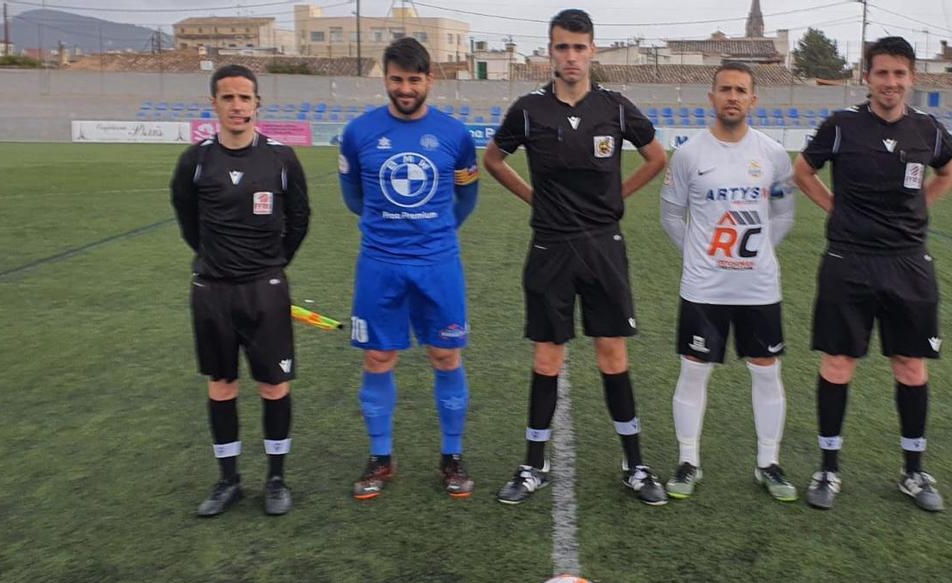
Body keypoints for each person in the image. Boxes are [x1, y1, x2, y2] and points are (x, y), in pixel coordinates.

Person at [483, 9, 669, 506]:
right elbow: (493, 160)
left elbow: (657, 157)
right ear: (550, 51)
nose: (570, 56)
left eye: (579, 47)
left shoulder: (615, 107)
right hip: (550, 246)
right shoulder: (528, 109)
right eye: (562, 47)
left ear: (592, 51)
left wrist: (618, 200)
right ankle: (532, 465)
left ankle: (635, 464)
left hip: (603, 245)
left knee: (612, 354)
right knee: (547, 357)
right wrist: (533, 199)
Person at [794, 36, 952, 512]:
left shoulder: (928, 130)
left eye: (899, 74)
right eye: (882, 73)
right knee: (838, 363)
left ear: (912, 79)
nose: (891, 82)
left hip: (908, 262)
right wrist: (835, 208)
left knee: (910, 365)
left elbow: (949, 172)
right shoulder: (841, 126)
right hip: (849, 261)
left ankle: (913, 472)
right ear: (866, 77)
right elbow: (803, 172)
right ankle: (828, 468)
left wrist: (918, 208)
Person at [338, 38, 480, 500]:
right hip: (380, 264)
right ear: (385, 79)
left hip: (438, 264)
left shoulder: (455, 136)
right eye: (396, 79)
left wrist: (435, 232)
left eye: (413, 80)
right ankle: (381, 458)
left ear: (429, 81)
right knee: (379, 357)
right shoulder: (359, 134)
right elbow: (353, 197)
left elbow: (468, 197)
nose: (405, 88)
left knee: (446, 356)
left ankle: (451, 457)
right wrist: (391, 231)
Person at [170, 64, 310, 517]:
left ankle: (275, 478)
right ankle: (228, 480)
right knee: (222, 385)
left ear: (257, 105)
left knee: (273, 385)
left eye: (244, 98)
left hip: (264, 289)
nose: (236, 106)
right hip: (212, 291)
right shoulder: (195, 161)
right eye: (227, 98)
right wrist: (215, 259)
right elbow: (188, 221)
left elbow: (300, 220)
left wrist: (270, 264)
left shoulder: (281, 159)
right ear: (214, 103)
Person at [659, 62, 797, 502]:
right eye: (724, 89)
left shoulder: (774, 155)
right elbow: (669, 215)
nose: (732, 96)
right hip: (704, 288)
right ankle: (687, 461)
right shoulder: (689, 155)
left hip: (758, 288)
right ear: (712, 97)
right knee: (694, 371)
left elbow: (784, 214)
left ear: (753, 99)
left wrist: (756, 255)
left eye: (741, 90)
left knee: (766, 372)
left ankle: (769, 464)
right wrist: (700, 256)